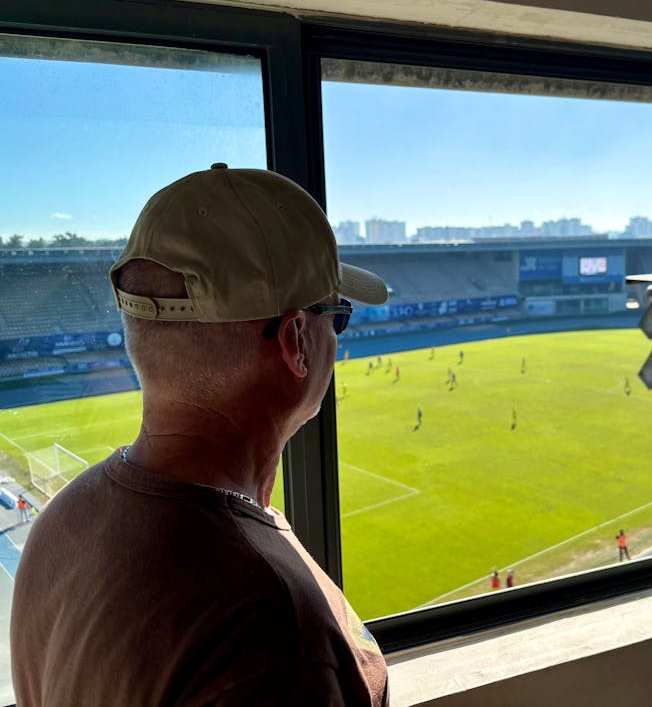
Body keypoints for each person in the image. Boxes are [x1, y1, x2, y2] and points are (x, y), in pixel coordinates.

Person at [10, 164, 390, 706]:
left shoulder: (64, 520)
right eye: (338, 315)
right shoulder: (268, 628)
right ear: (296, 341)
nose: (338, 338)